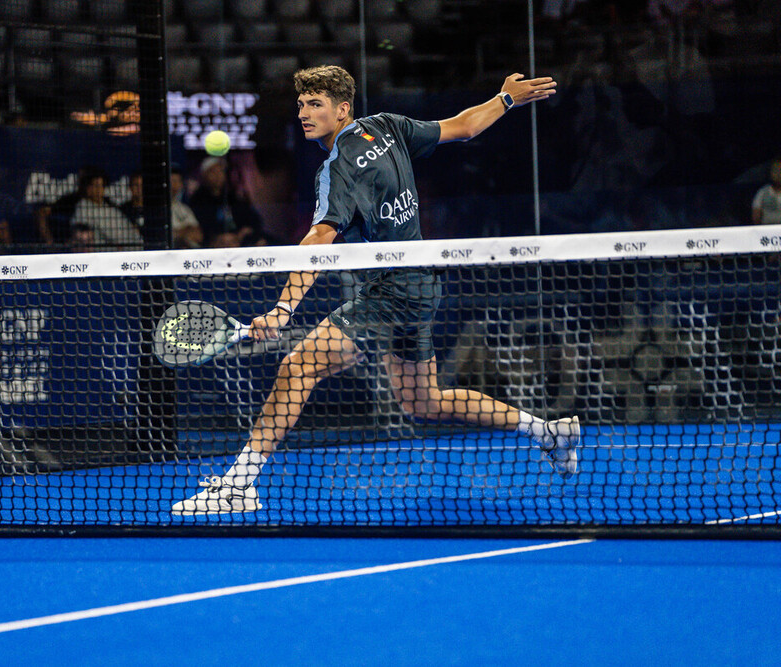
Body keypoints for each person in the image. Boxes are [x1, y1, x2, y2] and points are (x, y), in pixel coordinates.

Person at [172, 65, 579, 515]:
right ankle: (548, 431)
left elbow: (320, 237)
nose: (305, 113)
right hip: (421, 284)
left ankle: (238, 485)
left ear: (343, 109)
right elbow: (463, 126)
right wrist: (505, 99)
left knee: (297, 366)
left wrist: (284, 307)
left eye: (316, 105)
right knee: (423, 401)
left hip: (391, 290)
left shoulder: (336, 168)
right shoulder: (388, 126)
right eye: (302, 105)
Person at [189, 156, 267, 248]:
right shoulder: (198, 199)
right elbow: (199, 226)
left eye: (220, 171)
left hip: (238, 240)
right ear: (204, 175)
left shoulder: (232, 197)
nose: (218, 176)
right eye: (213, 172)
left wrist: (243, 232)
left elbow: (253, 219)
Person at [170, 165, 202, 249]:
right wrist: (186, 230)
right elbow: (167, 236)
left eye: (178, 181)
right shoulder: (157, 209)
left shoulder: (184, 208)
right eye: (172, 181)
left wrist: (179, 232)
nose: (175, 185)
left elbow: (198, 236)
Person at [752, 157, 781, 226]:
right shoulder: (763, 192)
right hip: (767, 230)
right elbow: (756, 215)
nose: (778, 175)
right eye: (776, 171)